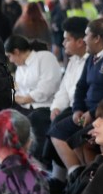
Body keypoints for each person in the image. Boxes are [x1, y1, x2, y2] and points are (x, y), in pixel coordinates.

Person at [47, 17, 103, 175]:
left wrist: (92, 113)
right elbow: (80, 87)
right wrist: (77, 109)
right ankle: (79, 175)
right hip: (85, 112)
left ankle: (91, 178)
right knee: (58, 131)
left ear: (97, 38)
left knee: (80, 140)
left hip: (102, 114)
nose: (84, 40)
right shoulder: (92, 58)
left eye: (87, 36)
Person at [45, 16, 90, 192]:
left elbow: (81, 94)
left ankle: (70, 175)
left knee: (58, 127)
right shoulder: (73, 60)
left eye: (67, 39)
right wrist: (55, 107)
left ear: (80, 41)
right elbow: (63, 89)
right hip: (70, 107)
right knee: (44, 118)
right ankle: (59, 174)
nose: (63, 43)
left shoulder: (89, 61)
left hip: (83, 109)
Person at [5, 35, 62, 164]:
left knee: (34, 119)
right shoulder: (20, 68)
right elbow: (19, 90)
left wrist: (25, 99)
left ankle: (41, 163)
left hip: (46, 106)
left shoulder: (45, 58)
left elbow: (48, 87)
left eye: (9, 56)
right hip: (27, 106)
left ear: (16, 52)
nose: (11, 60)